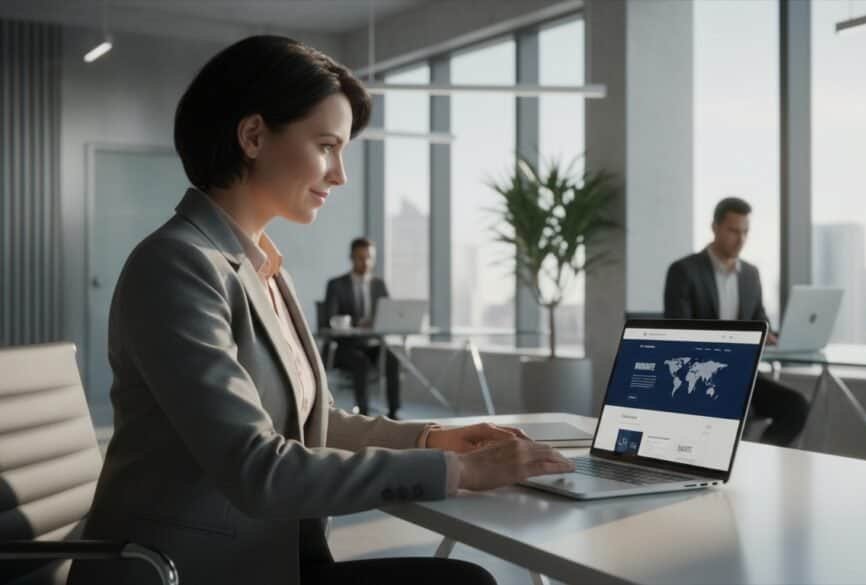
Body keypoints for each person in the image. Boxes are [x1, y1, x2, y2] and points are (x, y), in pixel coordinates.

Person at [68, 36, 573, 585]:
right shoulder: (176, 267)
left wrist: (434, 439)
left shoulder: (263, 267)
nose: (340, 174)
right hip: (193, 571)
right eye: (328, 146)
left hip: (280, 556)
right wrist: (461, 471)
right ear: (254, 136)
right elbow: (257, 468)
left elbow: (314, 423)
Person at [663, 197, 809, 446]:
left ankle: (762, 458)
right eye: (733, 231)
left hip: (743, 374)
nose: (740, 239)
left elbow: (759, 318)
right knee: (742, 408)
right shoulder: (684, 271)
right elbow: (679, 331)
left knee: (796, 405)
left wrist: (769, 335)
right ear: (715, 227)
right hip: (701, 375)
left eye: (745, 232)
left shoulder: (751, 274)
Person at [323, 237, 401, 418]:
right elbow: (330, 318)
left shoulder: (379, 285)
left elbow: (388, 313)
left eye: (369, 258)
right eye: (360, 257)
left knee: (393, 360)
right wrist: (356, 323)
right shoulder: (336, 285)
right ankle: (363, 414)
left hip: (372, 344)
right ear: (351, 258)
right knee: (361, 363)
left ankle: (394, 412)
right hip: (344, 347)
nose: (365, 262)